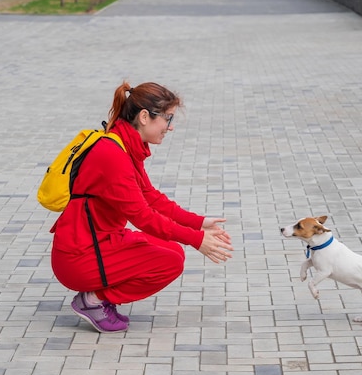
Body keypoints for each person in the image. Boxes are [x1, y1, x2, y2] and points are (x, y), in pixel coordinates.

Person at [50, 81, 233, 333]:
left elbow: (150, 197)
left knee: (172, 251)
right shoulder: (112, 153)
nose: (171, 127)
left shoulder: (123, 145)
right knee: (169, 263)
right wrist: (196, 239)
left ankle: (97, 297)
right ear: (145, 117)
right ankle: (93, 301)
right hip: (79, 256)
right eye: (167, 119)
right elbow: (143, 216)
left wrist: (198, 223)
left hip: (97, 242)